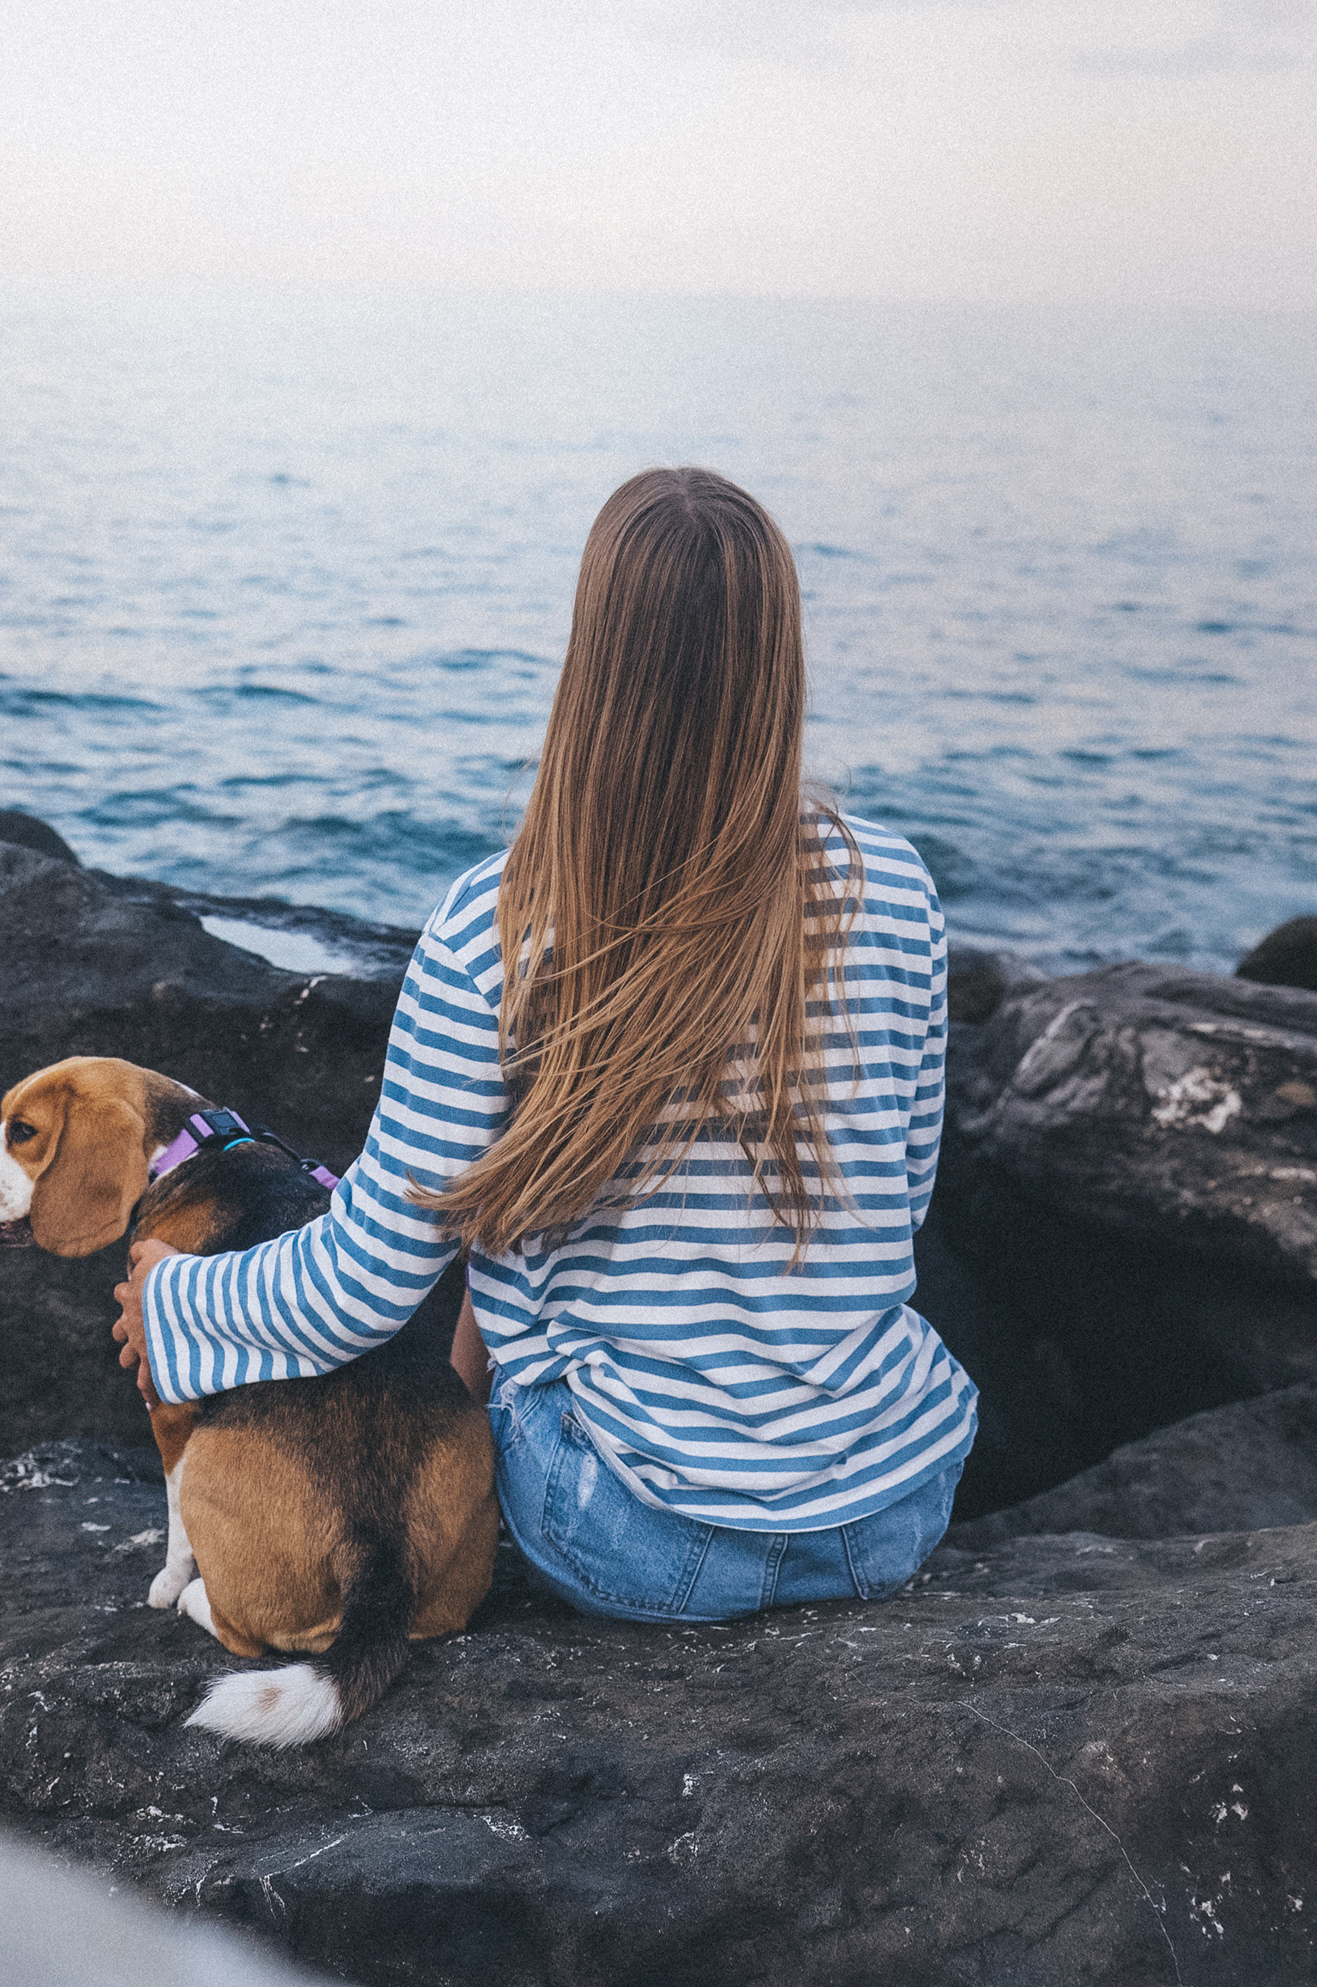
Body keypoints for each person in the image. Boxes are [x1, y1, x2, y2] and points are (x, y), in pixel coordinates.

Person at [113, 466, 977, 1624]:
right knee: (508, 1209)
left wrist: (178, 1299)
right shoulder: (894, 889)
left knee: (499, 1220)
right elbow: (897, 1197)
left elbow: (359, 1287)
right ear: (778, 658)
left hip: (637, 1534)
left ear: (592, 656)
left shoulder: (498, 929)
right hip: (890, 1507)